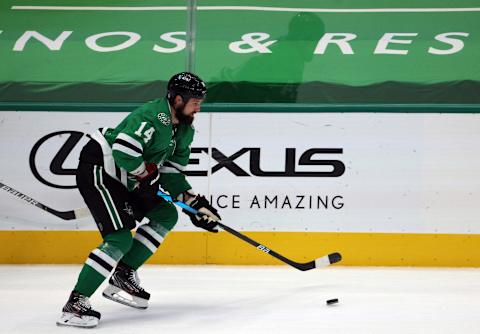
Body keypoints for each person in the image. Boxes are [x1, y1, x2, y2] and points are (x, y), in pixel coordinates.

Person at [56, 72, 221, 328]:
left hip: (127, 176)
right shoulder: (153, 117)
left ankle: (123, 274)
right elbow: (123, 151)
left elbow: (171, 174)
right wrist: (145, 174)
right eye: (195, 101)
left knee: (167, 214)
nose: (199, 106)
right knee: (119, 238)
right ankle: (75, 304)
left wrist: (194, 204)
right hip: (101, 169)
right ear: (178, 99)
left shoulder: (185, 130)